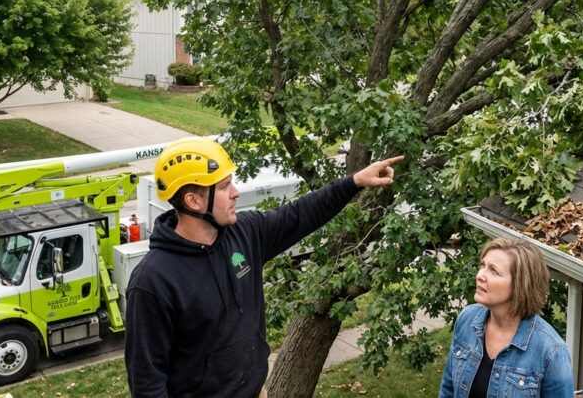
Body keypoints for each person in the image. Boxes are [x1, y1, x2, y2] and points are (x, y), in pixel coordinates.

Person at [125, 137, 402, 398]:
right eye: (223, 187)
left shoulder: (245, 233)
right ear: (193, 201)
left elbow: (300, 214)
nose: (235, 193)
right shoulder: (153, 282)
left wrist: (354, 182)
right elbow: (147, 382)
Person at [439, 238, 573, 398]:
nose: (480, 275)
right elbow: (448, 389)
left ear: (520, 285)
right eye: (483, 265)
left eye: (494, 271)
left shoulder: (551, 352)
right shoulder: (467, 319)